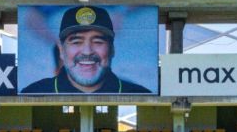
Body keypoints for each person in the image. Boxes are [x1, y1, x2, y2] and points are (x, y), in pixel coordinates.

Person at [21, 6, 151, 94]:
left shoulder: (138, 93)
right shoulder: (33, 92)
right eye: (76, 42)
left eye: (98, 42)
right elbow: (32, 14)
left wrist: (122, 10)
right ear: (61, 50)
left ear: (112, 50)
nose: (87, 51)